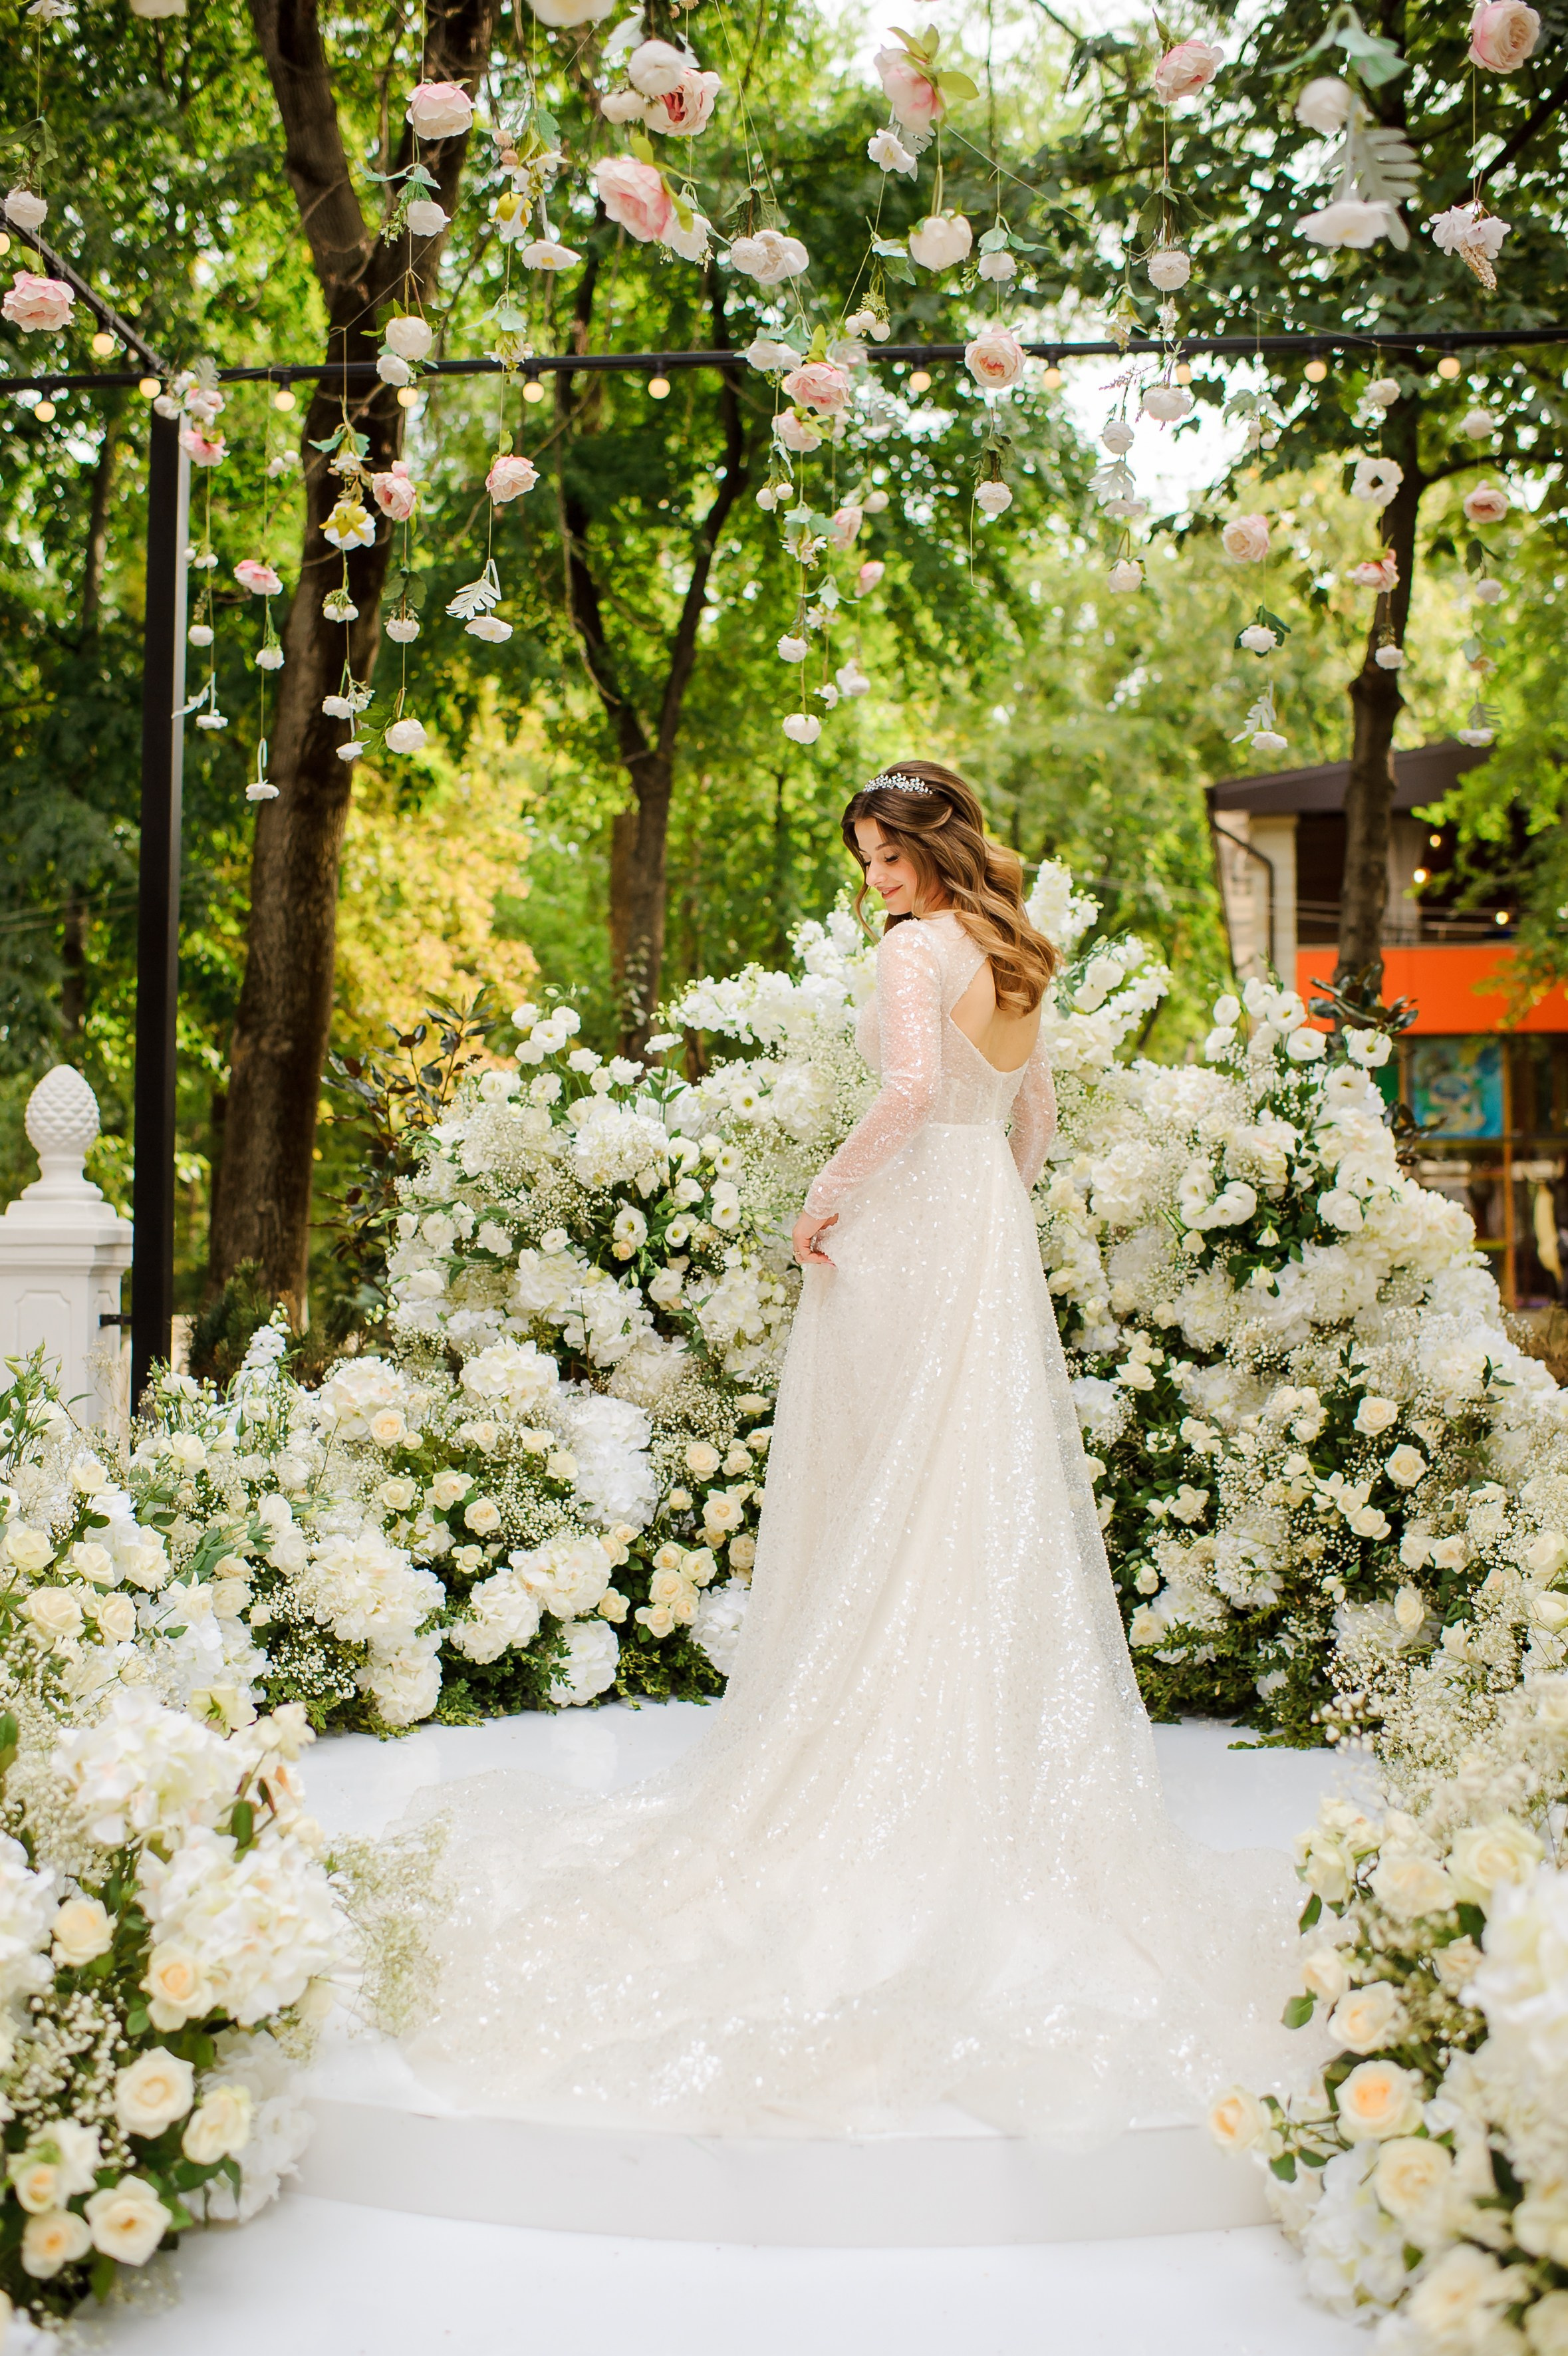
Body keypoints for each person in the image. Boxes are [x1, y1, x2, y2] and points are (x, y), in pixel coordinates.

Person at [398, 761, 1305, 2143]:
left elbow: (910, 1088)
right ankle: (974, 1760)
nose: (878, 880)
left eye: (890, 854)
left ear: (936, 847)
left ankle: (879, 1752)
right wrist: (991, 1212)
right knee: (970, 1492)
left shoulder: (914, 952)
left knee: (890, 1485)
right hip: (983, 1229)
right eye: (869, 860)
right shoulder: (1015, 950)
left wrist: (826, 1197)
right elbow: (1033, 1118)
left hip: (910, 1224)